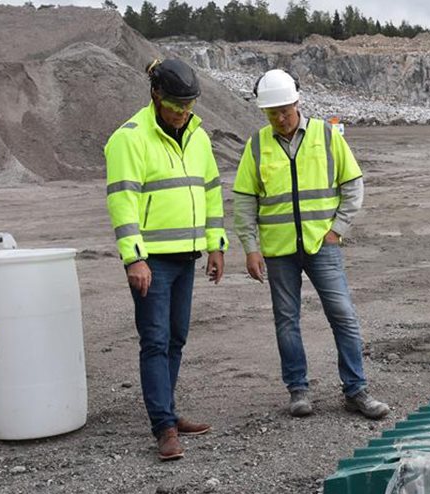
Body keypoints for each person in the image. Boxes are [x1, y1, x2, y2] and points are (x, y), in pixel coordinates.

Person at [232, 69, 389, 420]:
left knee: (343, 316)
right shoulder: (257, 145)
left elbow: (353, 185)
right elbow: (244, 199)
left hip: (323, 245)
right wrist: (250, 247)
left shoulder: (327, 136)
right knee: (286, 320)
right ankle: (298, 389)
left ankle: (356, 390)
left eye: (285, 111)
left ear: (297, 103)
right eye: (272, 114)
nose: (280, 119)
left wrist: (337, 230)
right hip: (279, 251)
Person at [104, 58, 228, 460]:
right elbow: (123, 202)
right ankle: (164, 427)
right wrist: (134, 259)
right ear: (156, 94)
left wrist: (216, 245)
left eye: (189, 104)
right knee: (154, 341)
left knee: (176, 338)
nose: (184, 111)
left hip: (187, 256)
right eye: (177, 104)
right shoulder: (130, 138)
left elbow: (210, 192)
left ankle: (169, 413)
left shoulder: (198, 136)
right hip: (152, 261)